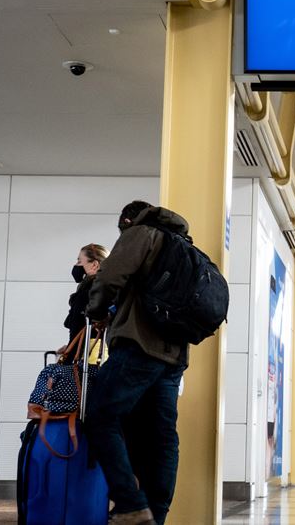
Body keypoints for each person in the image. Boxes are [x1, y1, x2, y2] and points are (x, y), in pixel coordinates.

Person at [84, 201, 189, 525]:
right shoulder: (184, 245)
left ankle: (131, 505)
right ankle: (155, 516)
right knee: (161, 436)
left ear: (127, 220)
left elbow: (109, 277)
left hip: (139, 344)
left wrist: (96, 312)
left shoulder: (140, 233)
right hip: (174, 354)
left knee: (100, 418)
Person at [65, 243, 108, 340]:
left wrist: (70, 351)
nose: (76, 265)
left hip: (88, 352)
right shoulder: (109, 289)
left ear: (94, 265)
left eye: (79, 261)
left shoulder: (87, 293)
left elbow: (77, 328)